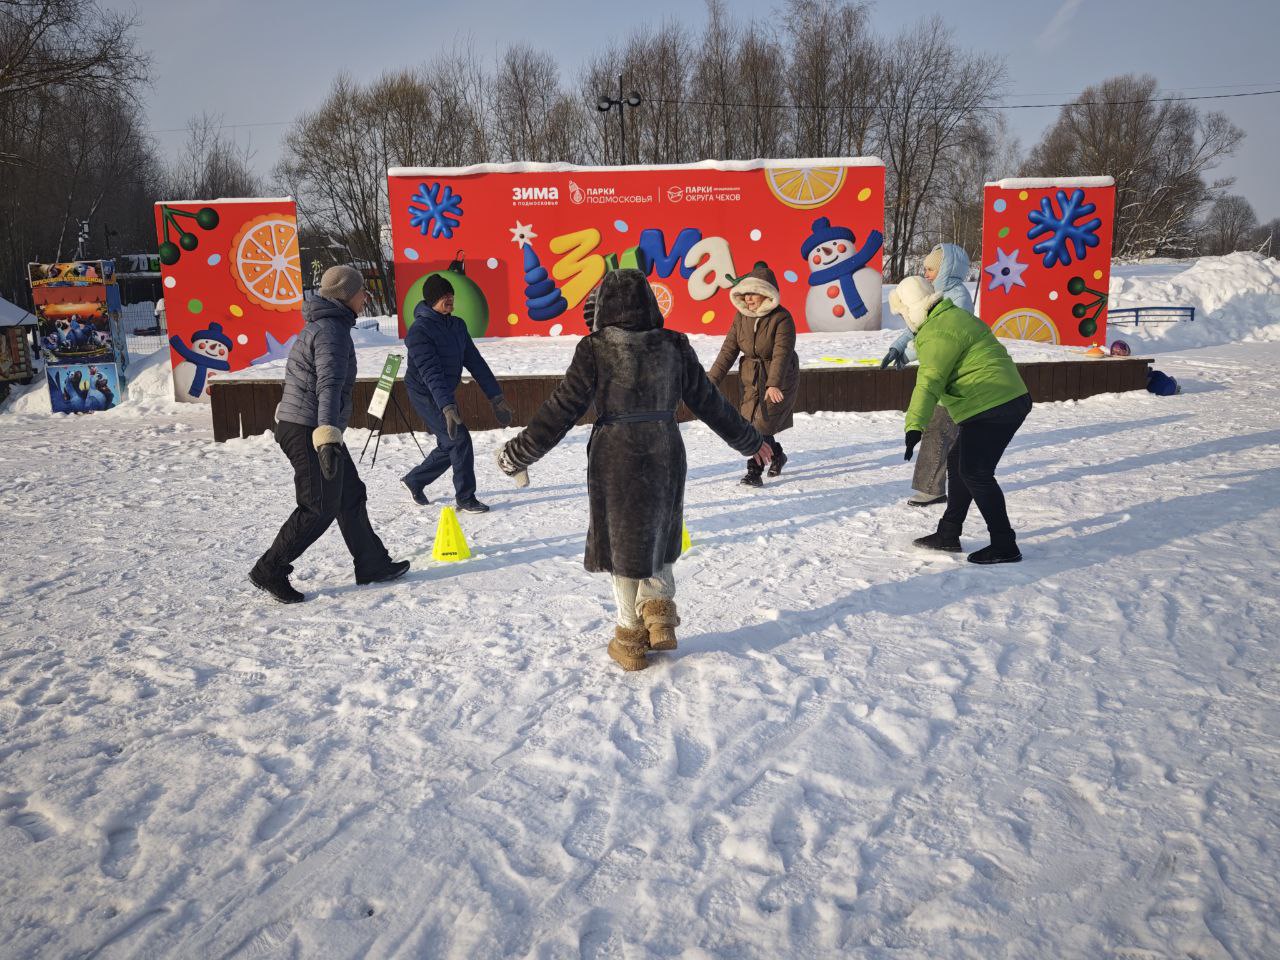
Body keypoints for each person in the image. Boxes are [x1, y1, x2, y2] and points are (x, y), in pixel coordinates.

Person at [495, 269, 772, 671]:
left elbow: (560, 410)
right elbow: (710, 403)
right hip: (664, 448)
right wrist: (751, 440)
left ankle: (629, 638)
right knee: (660, 527)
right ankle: (659, 612)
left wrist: (518, 454)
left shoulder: (595, 348)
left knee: (620, 544)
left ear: (605, 306)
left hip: (615, 455)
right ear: (649, 303)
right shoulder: (674, 345)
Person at [250, 266, 409, 603]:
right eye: (361, 291)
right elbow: (329, 386)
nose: (366, 297)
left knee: (350, 493)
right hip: (309, 429)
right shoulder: (331, 332)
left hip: (312, 425)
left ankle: (372, 563)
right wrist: (326, 439)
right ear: (345, 295)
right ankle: (270, 567)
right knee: (318, 505)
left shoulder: (327, 326)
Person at [892, 276, 1031, 565]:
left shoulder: (936, 332)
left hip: (993, 403)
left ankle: (1005, 544)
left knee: (976, 472)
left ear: (911, 309)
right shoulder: (955, 316)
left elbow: (929, 380)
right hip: (1002, 399)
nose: (904, 320)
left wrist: (914, 425)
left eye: (903, 313)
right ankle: (948, 533)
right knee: (959, 464)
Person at [401, 275, 514, 513]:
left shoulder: (457, 325)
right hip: (425, 392)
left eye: (451, 295)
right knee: (459, 439)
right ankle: (466, 497)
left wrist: (496, 397)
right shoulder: (419, 331)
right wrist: (448, 407)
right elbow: (431, 373)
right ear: (432, 300)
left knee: (450, 442)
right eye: (444, 296)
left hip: (443, 392)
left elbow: (476, 363)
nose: (450, 299)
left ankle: (415, 480)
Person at [882, 243, 972, 507]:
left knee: (939, 428)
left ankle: (933, 489)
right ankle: (938, 484)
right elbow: (920, 323)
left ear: (948, 268)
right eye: (925, 269)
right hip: (946, 372)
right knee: (944, 430)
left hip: (956, 374)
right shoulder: (938, 293)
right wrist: (899, 345)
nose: (927, 273)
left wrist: (909, 354)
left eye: (932, 269)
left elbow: (944, 339)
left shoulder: (959, 299)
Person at [707, 261, 799, 487]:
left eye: (754, 294)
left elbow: (782, 353)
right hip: (751, 378)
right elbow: (728, 350)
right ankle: (777, 455)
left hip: (779, 378)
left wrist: (774, 383)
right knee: (751, 422)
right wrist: (709, 382)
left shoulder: (782, 318)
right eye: (745, 293)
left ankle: (754, 472)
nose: (748, 298)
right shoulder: (741, 318)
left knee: (761, 425)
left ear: (766, 295)